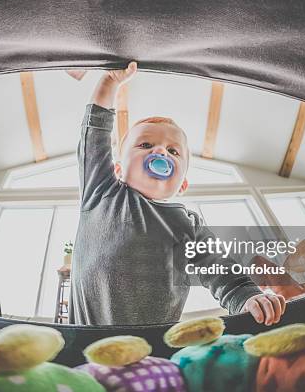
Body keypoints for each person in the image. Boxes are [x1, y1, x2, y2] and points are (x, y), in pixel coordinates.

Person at [69, 62, 285, 326]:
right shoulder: (103, 193)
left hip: (151, 350)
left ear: (182, 185)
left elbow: (221, 270)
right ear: (118, 169)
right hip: (87, 341)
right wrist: (109, 82)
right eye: (146, 144)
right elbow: (94, 136)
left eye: (173, 151)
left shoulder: (189, 225)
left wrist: (247, 297)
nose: (160, 152)